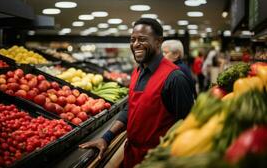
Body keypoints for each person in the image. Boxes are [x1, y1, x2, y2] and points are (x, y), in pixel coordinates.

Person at [79, 18, 194, 168]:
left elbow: (187, 127)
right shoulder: (138, 71)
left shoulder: (175, 78)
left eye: (142, 39)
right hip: (132, 157)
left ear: (158, 42)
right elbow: (131, 108)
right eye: (132, 39)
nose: (135, 44)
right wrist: (106, 138)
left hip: (157, 161)